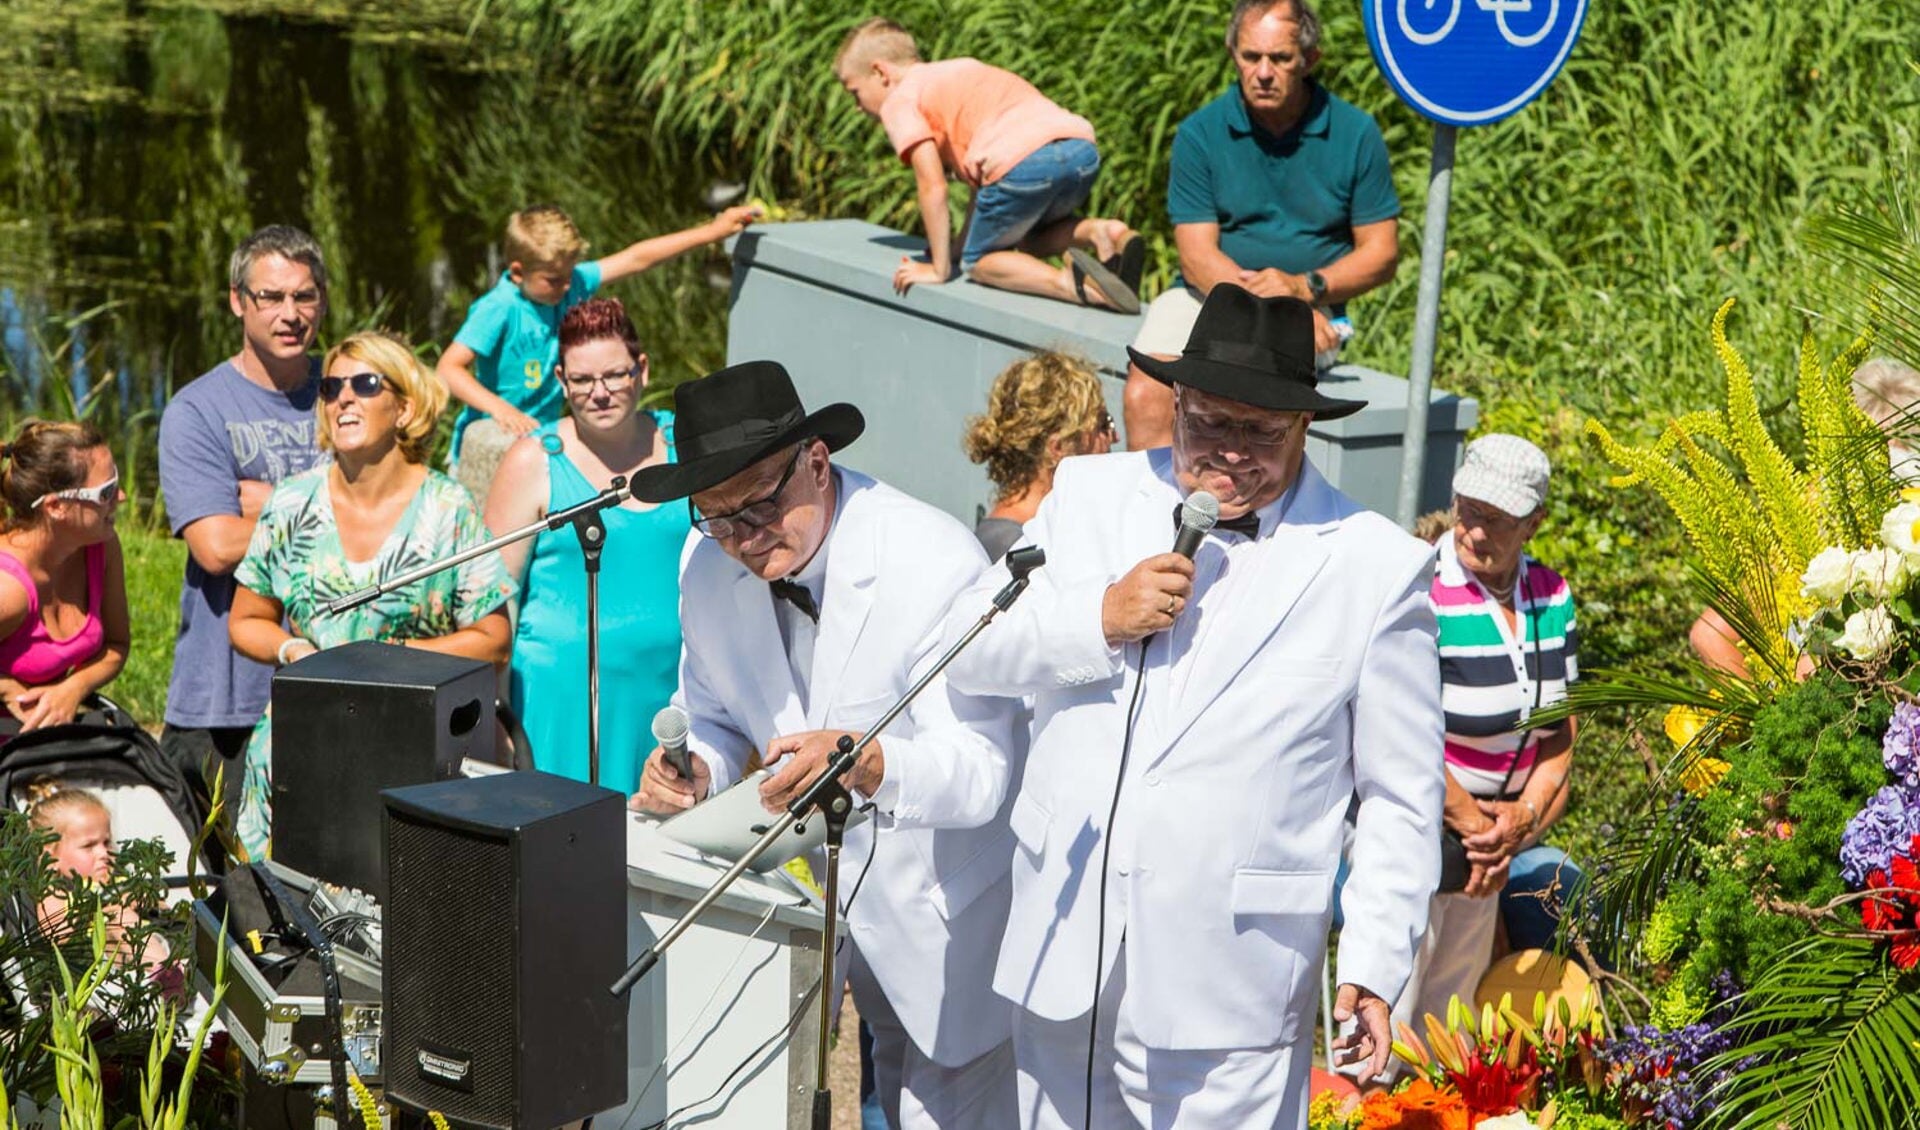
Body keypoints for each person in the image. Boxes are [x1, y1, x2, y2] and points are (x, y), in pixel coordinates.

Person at [942, 285, 1443, 1127]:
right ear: (1175, 402)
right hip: (1063, 949)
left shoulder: (1375, 567)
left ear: (1305, 426)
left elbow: (1400, 797)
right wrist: (1097, 617)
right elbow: (967, 650)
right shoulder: (1091, 495)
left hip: (1232, 984)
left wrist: (1374, 960)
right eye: (1211, 423)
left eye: (1260, 433)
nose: (1231, 454)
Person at [627, 361, 1019, 1127]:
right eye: (716, 516)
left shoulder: (930, 557)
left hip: (946, 927)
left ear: (816, 460)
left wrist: (873, 764)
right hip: (816, 922)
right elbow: (711, 712)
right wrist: (693, 767)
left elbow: (983, 772)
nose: (741, 537)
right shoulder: (705, 563)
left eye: (761, 507)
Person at [228, 330, 513, 860]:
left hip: (414, 753)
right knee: (278, 923)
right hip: (299, 746)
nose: (343, 398)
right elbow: (247, 619)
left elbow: (494, 640)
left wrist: (389, 662)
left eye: (365, 383)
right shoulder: (292, 503)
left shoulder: (447, 507)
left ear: (404, 408)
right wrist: (293, 650)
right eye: (331, 387)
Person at [1121, 0, 1401, 450]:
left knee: (1255, 396)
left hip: (1311, 306)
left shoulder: (1355, 133)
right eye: (1251, 57)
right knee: (1147, 390)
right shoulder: (1201, 132)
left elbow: (1382, 252)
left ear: (1309, 60)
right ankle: (1156, 518)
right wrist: (1273, 308)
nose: (1263, 72)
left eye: (1280, 58)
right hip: (1209, 294)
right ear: (1234, 54)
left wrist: (1303, 289)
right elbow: (1196, 258)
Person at [1399, 434, 1579, 1037]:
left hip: (1490, 845)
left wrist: (1518, 824)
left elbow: (1558, 737)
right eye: (1467, 510)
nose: (1474, 531)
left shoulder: (1552, 596)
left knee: (1452, 1022)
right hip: (1420, 830)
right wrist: (1475, 827)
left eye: (1496, 519)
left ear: (1534, 524)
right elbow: (1399, 729)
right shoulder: (1419, 585)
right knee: (1392, 1011)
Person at [158, 225, 331, 829]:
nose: (290, 314)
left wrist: (269, 502)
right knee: (227, 901)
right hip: (226, 700)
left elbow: (393, 519)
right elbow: (216, 546)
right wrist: (328, 502)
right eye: (270, 297)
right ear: (238, 300)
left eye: (304, 297)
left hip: (334, 684)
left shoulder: (350, 393)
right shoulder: (197, 411)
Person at [483, 298, 687, 793]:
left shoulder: (686, 445)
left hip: (672, 696)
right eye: (581, 381)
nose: (599, 393)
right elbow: (491, 604)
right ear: (560, 379)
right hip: (558, 699)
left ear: (642, 370)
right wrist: (495, 720)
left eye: (614, 376)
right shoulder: (532, 460)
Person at [834, 18, 1143, 313]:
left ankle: (1073, 283)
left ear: (881, 73)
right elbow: (983, 192)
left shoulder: (899, 101)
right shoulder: (960, 67)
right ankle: (1104, 232)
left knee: (980, 260)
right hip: (1080, 150)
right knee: (1029, 238)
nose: (858, 107)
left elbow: (933, 185)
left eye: (855, 93)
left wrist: (940, 267)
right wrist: (957, 245)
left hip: (1021, 164)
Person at [436, 201, 760, 473]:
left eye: (569, 275)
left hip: (539, 436)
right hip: (491, 442)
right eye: (553, 280)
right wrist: (500, 410)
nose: (566, 287)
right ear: (519, 272)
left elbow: (636, 258)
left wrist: (712, 232)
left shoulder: (570, 282)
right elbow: (449, 368)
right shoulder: (499, 308)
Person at [0, 421, 130, 732]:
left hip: (45, 751)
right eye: (106, 492)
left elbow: (116, 644)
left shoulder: (101, 548)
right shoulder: (8, 590)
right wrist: (6, 689)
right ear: (56, 506)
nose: (122, 497)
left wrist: (72, 690)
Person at [963, 350, 1116, 561]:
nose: (1114, 437)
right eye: (1103, 424)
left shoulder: (1008, 537)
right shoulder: (1016, 548)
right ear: (1058, 448)